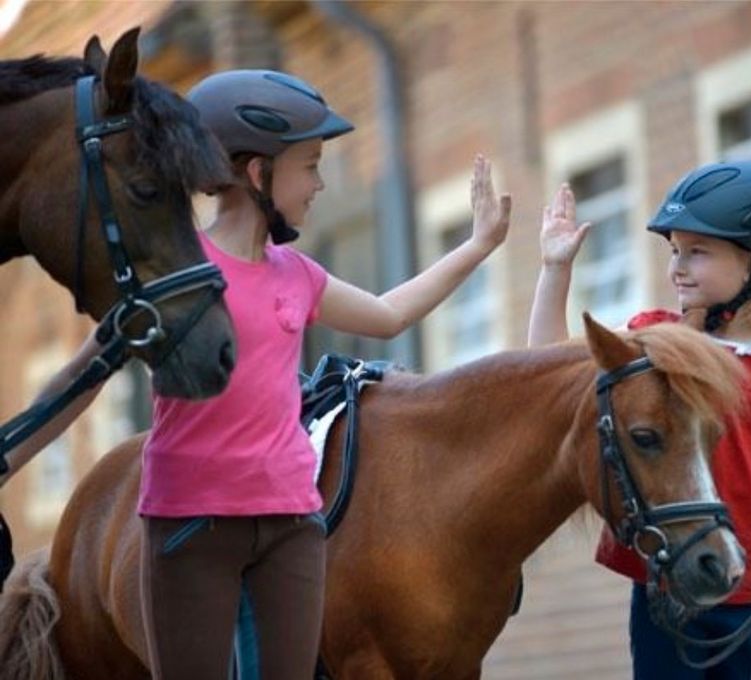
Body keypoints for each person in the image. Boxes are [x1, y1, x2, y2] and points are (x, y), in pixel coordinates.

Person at [6, 69, 511, 680]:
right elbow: (79, 383)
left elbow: (389, 314)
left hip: (291, 524)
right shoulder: (177, 272)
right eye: (310, 164)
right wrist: (10, 457)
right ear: (257, 173)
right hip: (190, 523)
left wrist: (477, 246)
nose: (320, 182)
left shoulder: (296, 273)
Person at [528, 161, 751, 679]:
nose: (677, 266)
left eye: (697, 252)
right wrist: (555, 269)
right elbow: (544, 365)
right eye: (675, 250)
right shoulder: (653, 339)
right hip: (668, 586)